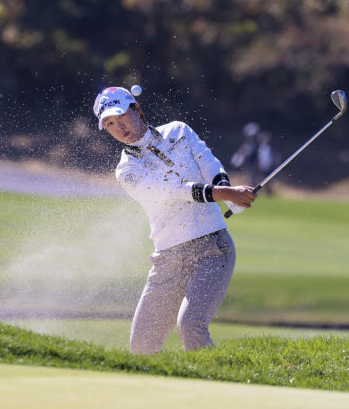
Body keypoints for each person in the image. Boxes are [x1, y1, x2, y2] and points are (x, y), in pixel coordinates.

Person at [93, 86, 256, 354]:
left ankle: (213, 388)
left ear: (137, 110)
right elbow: (174, 190)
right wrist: (224, 193)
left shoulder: (178, 131)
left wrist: (227, 191)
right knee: (141, 346)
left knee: (191, 325)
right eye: (109, 124)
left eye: (121, 117)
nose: (118, 127)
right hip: (168, 258)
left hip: (213, 248)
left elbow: (209, 163)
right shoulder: (127, 171)